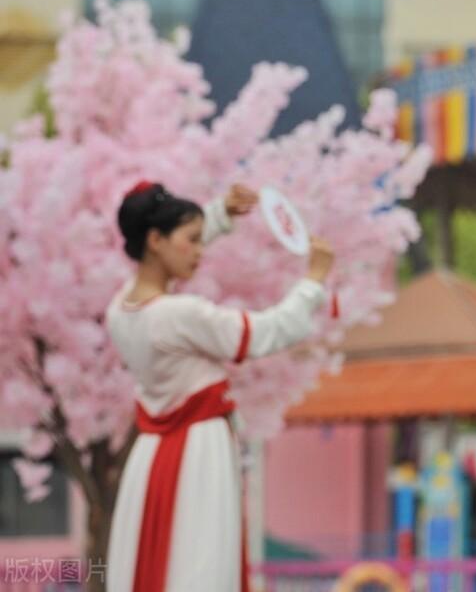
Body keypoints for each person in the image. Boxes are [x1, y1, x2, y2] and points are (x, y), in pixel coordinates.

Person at [105, 181, 334, 592]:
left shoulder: (120, 310)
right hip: (198, 450)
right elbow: (264, 332)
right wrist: (312, 282)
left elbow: (161, 257)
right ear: (155, 240)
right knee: (200, 560)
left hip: (152, 453)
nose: (199, 250)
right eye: (191, 241)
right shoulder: (181, 315)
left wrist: (217, 216)